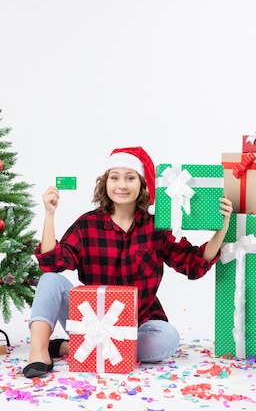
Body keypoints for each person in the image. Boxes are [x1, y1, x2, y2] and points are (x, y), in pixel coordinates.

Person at [22, 146, 233, 378]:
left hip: (139, 323)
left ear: (142, 184)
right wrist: (49, 215)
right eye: (114, 178)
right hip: (92, 321)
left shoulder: (156, 226)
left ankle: (69, 347)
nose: (122, 185)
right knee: (50, 279)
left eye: (130, 178)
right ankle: (39, 352)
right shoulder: (87, 225)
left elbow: (192, 265)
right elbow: (52, 263)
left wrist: (221, 228)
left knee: (166, 340)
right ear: (105, 183)